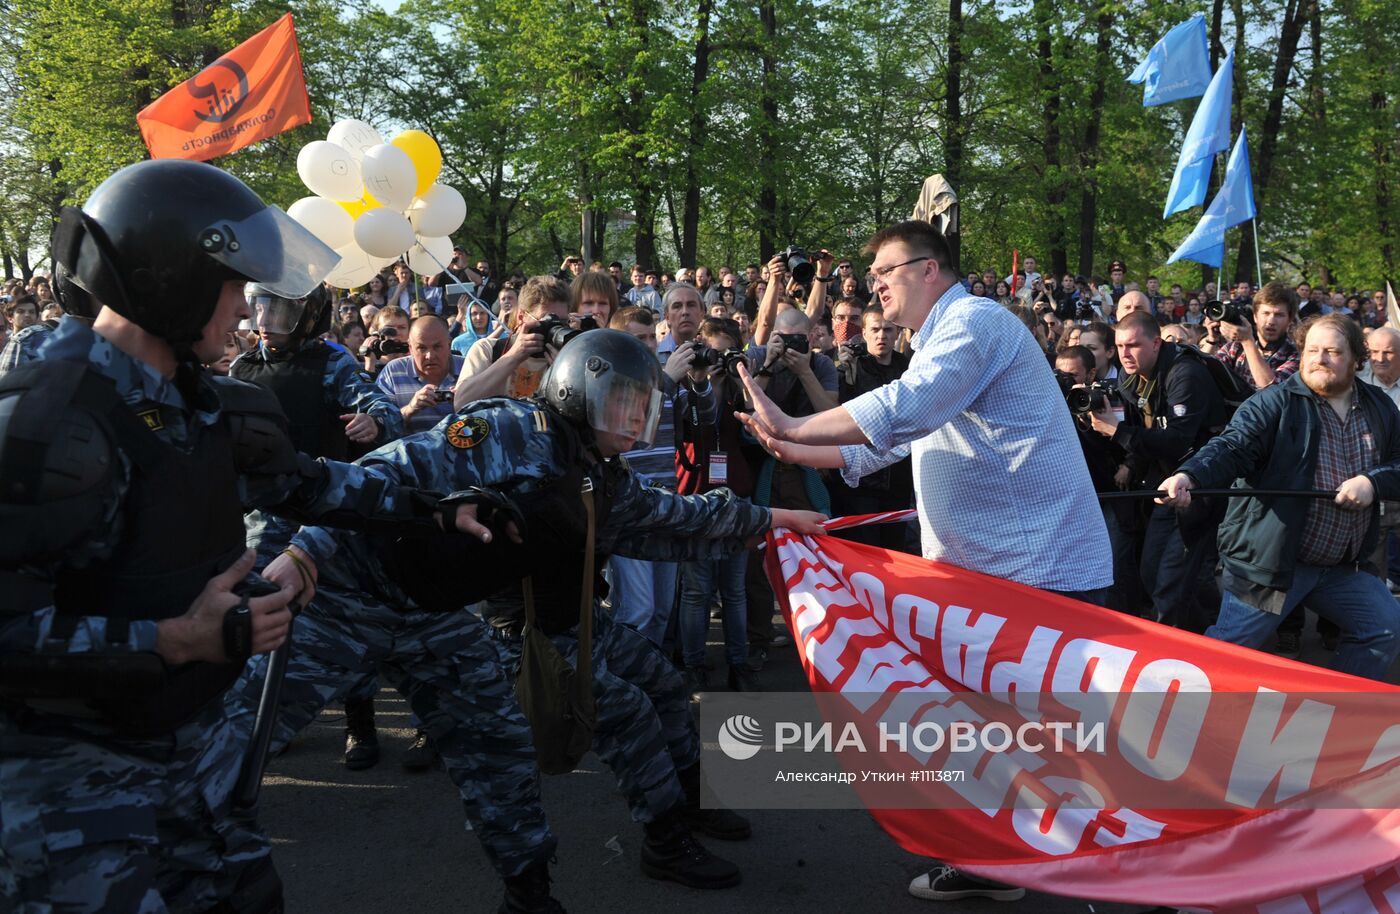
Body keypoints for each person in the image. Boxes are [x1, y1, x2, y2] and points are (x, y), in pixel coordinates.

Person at [0, 158, 477, 914]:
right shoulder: (45, 428)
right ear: (170, 281)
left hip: (204, 765)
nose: (246, 307)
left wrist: (437, 508)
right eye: (231, 285)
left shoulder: (207, 403)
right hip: (75, 802)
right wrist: (170, 639)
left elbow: (311, 485)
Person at [259, 330, 825, 898]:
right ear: (580, 392)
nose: (634, 419)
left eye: (642, 406)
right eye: (622, 402)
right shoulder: (506, 430)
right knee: (238, 740)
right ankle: (663, 836)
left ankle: (637, 835)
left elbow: (668, 518)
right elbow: (394, 466)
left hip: (471, 615)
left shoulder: (602, 473)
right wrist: (308, 548)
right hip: (377, 599)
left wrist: (769, 520)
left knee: (630, 697)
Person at [735, 219, 1111, 903]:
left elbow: (902, 409)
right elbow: (887, 444)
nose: (871, 284)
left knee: (1060, 743)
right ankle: (988, 863)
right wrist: (792, 451)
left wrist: (793, 425)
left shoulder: (973, 322)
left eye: (884, 271)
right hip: (992, 576)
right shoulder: (940, 340)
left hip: (1038, 572)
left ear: (929, 269)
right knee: (988, 733)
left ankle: (1125, 880)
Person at [1161, 314, 1400, 681]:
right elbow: (1230, 446)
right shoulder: (1273, 403)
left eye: (1332, 351)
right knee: (1228, 652)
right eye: (1312, 350)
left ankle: (1337, 718)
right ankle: (1181, 715)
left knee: (1384, 629)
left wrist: (1373, 481)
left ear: (1356, 359)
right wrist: (1189, 474)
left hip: (1341, 567)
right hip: (1271, 564)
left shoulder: (1380, 407)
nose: (1319, 358)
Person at [1088, 312, 1227, 633]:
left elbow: (1178, 441)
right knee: (1152, 572)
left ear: (1155, 343)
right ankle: (1212, 630)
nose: (1125, 353)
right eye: (1120, 345)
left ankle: (1195, 644)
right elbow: (1142, 431)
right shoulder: (1129, 376)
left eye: (1134, 345)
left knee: (1170, 583)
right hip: (1164, 485)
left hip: (1199, 486)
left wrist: (1117, 431)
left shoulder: (1185, 374)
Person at [377, 315, 464, 434]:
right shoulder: (393, 372)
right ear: (411, 348)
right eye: (422, 348)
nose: (430, 356)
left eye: (437, 347)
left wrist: (469, 399)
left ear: (449, 345)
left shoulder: (468, 368)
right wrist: (410, 409)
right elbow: (380, 425)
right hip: (411, 451)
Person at [1214, 281, 1301, 390]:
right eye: (1266, 313)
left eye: (1279, 315)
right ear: (1255, 316)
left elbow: (1272, 390)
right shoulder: (1234, 349)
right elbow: (1206, 375)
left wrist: (1247, 342)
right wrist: (1211, 340)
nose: (1271, 321)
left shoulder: (1297, 355)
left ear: (1290, 319)